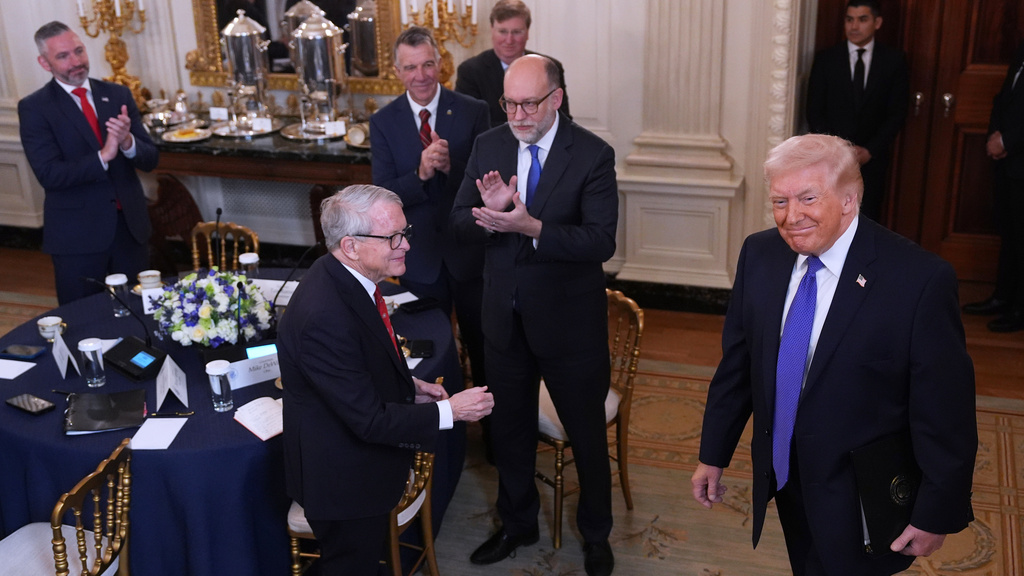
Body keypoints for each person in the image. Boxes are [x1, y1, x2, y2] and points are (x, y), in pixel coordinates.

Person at [691, 134, 977, 576]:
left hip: (864, 496)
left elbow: (946, 411)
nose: (791, 216)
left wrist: (935, 511)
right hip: (785, 476)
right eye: (780, 201)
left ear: (849, 200)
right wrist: (713, 452)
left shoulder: (919, 280)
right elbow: (740, 366)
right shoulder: (761, 254)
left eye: (808, 198)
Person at [450, 54, 618, 576]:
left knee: (587, 437)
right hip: (503, 319)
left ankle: (595, 535)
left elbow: (601, 241)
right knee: (511, 434)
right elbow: (456, 221)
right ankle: (518, 525)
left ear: (557, 99)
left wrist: (531, 226)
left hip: (570, 326)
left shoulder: (592, 154)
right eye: (509, 103)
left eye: (529, 103)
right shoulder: (489, 144)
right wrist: (494, 216)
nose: (517, 115)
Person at [278, 184, 494, 574]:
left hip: (361, 467)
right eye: (393, 237)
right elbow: (369, 420)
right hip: (342, 482)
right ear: (351, 246)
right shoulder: (324, 315)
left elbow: (359, 365)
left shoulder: (346, 278)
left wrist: (410, 386)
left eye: (404, 233)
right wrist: (451, 411)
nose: (405, 245)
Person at [370, 26, 491, 418]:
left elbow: (489, 182)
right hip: (418, 259)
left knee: (485, 350)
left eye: (427, 65)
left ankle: (495, 441)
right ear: (396, 71)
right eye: (410, 67)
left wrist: (451, 165)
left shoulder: (473, 110)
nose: (420, 76)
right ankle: (446, 435)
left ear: (440, 64)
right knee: (432, 356)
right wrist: (420, 174)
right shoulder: (383, 122)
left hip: (470, 255)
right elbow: (383, 195)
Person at [19, 21, 158, 305]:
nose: (76, 61)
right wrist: (103, 155)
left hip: (129, 230)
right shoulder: (35, 108)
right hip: (77, 237)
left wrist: (128, 143)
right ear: (44, 63)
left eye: (79, 51)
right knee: (83, 320)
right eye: (63, 56)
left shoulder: (117, 94)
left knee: (141, 314)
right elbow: (49, 174)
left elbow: (151, 158)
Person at [805, 0, 908, 222]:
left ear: (877, 22)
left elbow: (897, 113)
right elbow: (814, 110)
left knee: (867, 217)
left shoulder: (894, 61)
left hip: (872, 159)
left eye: (862, 20)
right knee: (828, 215)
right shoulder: (826, 59)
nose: (854, 26)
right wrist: (838, 150)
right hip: (830, 159)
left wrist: (870, 150)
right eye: (849, 19)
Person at [962, 41, 1024, 333]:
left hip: (1018, 155)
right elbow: (1003, 99)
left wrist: (1008, 141)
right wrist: (994, 136)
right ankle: (1002, 297)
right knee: (1008, 231)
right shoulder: (1020, 48)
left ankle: (1020, 309)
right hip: (1008, 163)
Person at [455, 0, 571, 127]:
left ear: (527, 32)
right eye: (503, 32)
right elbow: (468, 125)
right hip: (492, 146)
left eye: (516, 32)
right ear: (492, 30)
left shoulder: (550, 67)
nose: (509, 40)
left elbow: (563, 120)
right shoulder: (470, 71)